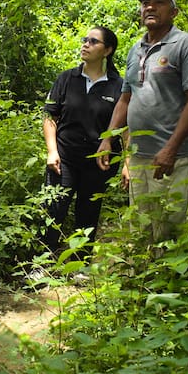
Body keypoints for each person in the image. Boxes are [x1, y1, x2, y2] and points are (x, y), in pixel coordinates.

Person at [96, 0, 188, 245]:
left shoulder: (185, 44)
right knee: (140, 226)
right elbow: (125, 98)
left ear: (174, 12)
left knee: (167, 228)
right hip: (138, 157)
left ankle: (167, 283)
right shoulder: (136, 49)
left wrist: (171, 148)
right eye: (145, 2)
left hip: (171, 157)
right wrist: (107, 139)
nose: (150, 6)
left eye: (159, 1)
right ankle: (143, 281)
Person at [42, 26, 123, 252]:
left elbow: (124, 127)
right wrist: (52, 151)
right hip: (64, 158)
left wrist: (127, 162)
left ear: (107, 50)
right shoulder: (67, 78)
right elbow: (50, 116)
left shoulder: (118, 86)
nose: (85, 44)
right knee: (54, 207)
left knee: (88, 212)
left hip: (99, 162)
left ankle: (81, 264)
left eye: (93, 41)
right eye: (85, 39)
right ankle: (44, 261)